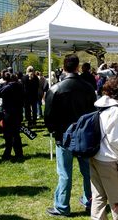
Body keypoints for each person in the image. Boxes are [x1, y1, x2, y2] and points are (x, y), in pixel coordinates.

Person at [45, 54, 96, 217]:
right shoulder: (88, 87)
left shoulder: (56, 89)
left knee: (65, 173)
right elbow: (94, 112)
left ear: (64, 67)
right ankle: (91, 201)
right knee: (87, 171)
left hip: (64, 136)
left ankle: (62, 206)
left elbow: (48, 117)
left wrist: (55, 131)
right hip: (84, 135)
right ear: (77, 67)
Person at [90, 76, 118, 220]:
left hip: (95, 157)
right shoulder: (115, 111)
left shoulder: (100, 106)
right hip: (108, 160)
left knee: (98, 197)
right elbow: (115, 139)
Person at [0, 72, 24, 161]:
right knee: (16, 134)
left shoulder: (6, 87)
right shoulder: (20, 87)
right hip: (18, 112)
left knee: (8, 135)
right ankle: (19, 153)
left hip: (8, 113)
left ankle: (7, 153)